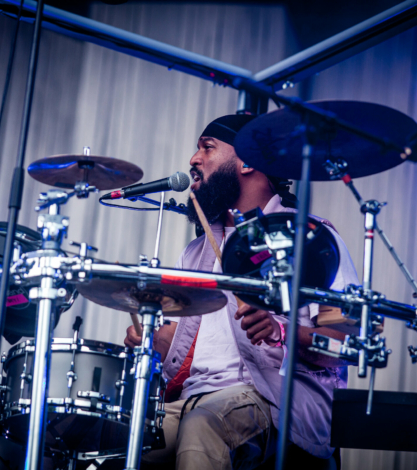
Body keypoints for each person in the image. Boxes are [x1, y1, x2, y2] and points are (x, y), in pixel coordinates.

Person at [124, 114, 359, 470]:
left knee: (201, 428)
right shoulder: (196, 251)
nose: (193, 159)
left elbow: (343, 342)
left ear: (248, 161)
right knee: (120, 442)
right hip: (191, 397)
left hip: (273, 398)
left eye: (207, 148)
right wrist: (149, 335)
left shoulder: (311, 239)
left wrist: (281, 331)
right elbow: (186, 342)